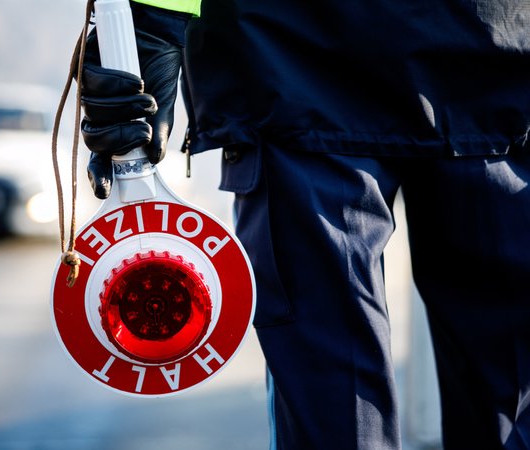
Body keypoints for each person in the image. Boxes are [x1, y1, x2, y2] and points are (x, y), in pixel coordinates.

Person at [77, 0, 530, 448]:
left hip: (294, 63)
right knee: (507, 398)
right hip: (486, 58)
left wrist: (151, 24)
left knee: (336, 413)